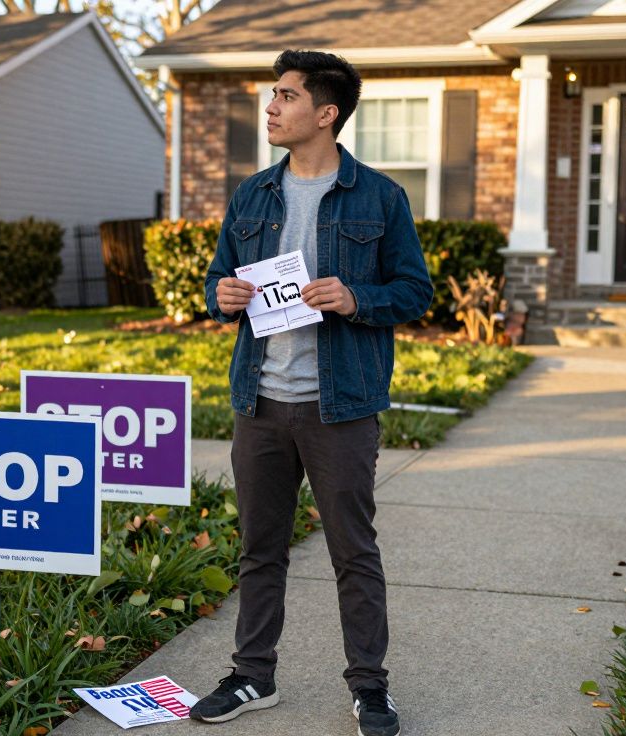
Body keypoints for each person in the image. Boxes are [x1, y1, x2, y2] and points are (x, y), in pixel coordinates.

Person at [191, 49, 434, 736]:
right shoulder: (252, 196)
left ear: (325, 114)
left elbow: (416, 290)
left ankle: (370, 689)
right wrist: (225, 296)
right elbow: (218, 284)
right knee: (258, 548)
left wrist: (356, 296)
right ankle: (251, 676)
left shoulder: (380, 197)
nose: (271, 106)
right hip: (259, 403)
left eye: (285, 95)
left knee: (353, 552)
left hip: (340, 408)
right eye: (273, 95)